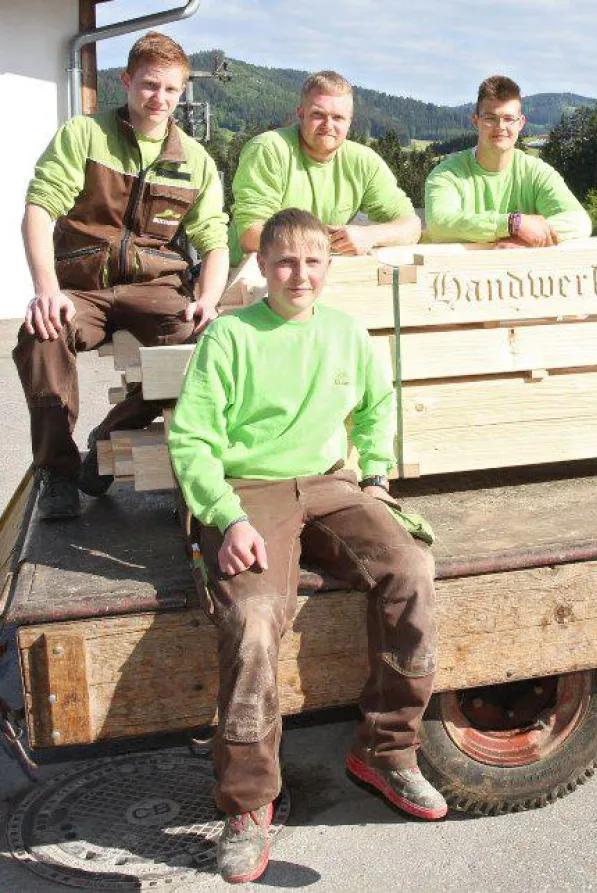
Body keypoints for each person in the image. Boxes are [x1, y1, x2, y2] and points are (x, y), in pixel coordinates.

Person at [168, 209, 445, 884]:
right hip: (249, 488)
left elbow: (379, 403)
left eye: (313, 261)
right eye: (285, 261)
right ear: (262, 267)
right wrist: (226, 518)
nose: (300, 274)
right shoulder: (231, 335)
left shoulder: (347, 333)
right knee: (254, 616)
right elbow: (192, 438)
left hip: (330, 483)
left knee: (412, 566)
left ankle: (386, 749)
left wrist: (376, 475)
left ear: (329, 267)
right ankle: (248, 802)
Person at [14, 31, 229, 519]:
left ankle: (109, 437)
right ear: (126, 80)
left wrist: (208, 299)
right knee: (40, 336)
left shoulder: (195, 161)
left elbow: (216, 241)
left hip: (154, 288)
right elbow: (38, 208)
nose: (161, 99)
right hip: (81, 286)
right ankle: (57, 472)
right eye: (150, 85)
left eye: (172, 90)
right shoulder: (83, 136)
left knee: (207, 344)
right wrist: (46, 292)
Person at [229, 70, 421, 263]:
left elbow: (411, 227)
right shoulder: (268, 149)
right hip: (249, 275)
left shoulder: (364, 161)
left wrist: (370, 235)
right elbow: (251, 235)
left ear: (349, 122)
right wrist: (324, 242)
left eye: (338, 117)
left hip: (318, 274)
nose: (328, 125)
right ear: (301, 114)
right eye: (318, 115)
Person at [424, 75, 590, 245]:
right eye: (490, 118)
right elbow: (440, 225)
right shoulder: (446, 174)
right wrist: (512, 224)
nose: (500, 127)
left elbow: (579, 222)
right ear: (475, 121)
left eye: (509, 119)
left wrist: (522, 239)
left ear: (521, 123)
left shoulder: (537, 172)